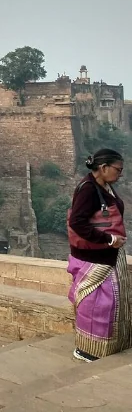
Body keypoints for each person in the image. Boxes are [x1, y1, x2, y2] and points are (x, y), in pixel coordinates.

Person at [67, 149, 131, 362]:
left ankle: (106, 346)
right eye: (118, 170)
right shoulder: (88, 190)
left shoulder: (103, 187)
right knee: (96, 304)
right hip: (94, 257)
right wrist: (109, 239)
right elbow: (77, 222)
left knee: (109, 303)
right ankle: (87, 349)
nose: (120, 174)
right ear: (103, 168)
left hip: (106, 255)